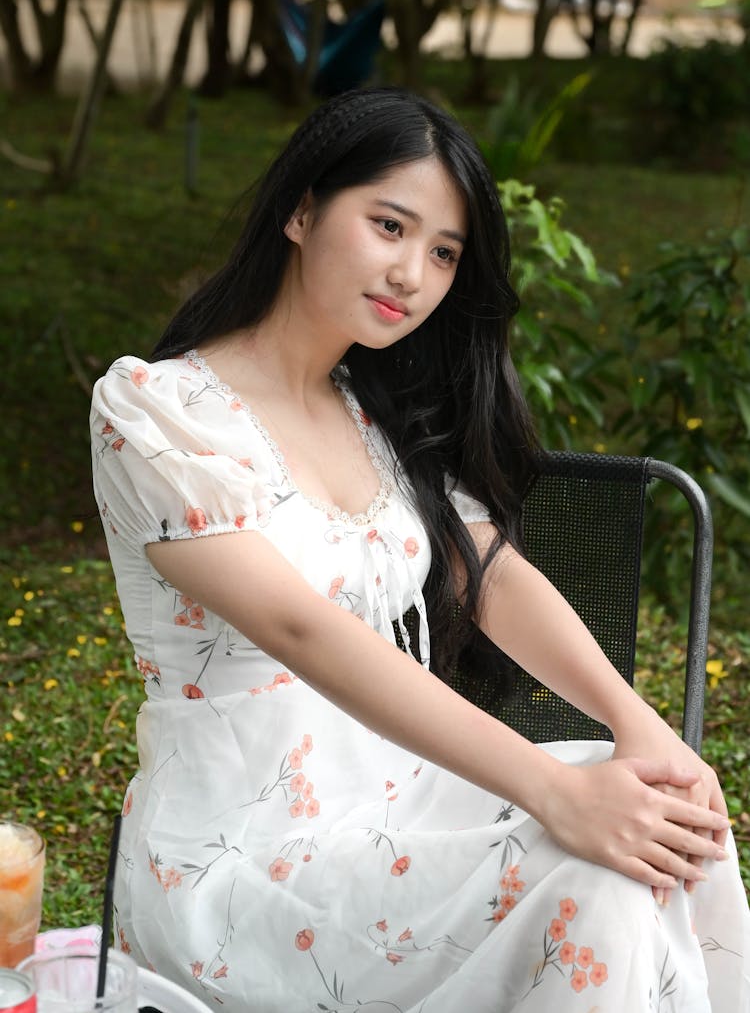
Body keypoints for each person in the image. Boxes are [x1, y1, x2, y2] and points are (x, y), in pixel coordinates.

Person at [90, 86, 749, 1012]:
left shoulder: (373, 410)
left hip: (400, 800)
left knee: (670, 828)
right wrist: (556, 795)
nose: (412, 273)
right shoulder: (157, 414)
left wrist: (639, 727)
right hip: (246, 859)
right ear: (303, 208)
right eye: (389, 225)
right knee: (597, 871)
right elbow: (301, 628)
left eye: (443, 253)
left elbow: (493, 577)